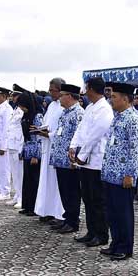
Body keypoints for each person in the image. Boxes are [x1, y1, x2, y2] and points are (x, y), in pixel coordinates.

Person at [99, 82, 138, 261]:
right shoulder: (117, 116)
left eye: (114, 97)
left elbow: (134, 149)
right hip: (110, 172)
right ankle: (115, 242)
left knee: (123, 212)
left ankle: (125, 247)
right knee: (112, 211)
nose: (111, 100)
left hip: (123, 175)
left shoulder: (133, 119)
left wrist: (130, 174)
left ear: (125, 99)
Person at [69, 77, 113, 246]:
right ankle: (91, 231)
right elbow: (81, 129)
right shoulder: (89, 107)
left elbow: (95, 134)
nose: (84, 91)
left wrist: (82, 154)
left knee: (97, 200)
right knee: (87, 198)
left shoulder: (104, 109)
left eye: (86, 88)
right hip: (84, 160)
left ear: (93, 89)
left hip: (95, 161)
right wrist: (73, 146)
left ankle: (101, 234)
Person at [49, 84, 85, 234]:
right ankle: (67, 217)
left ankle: (73, 221)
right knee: (64, 190)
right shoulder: (65, 112)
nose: (59, 97)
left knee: (72, 192)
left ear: (70, 96)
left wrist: (74, 160)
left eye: (62, 94)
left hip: (69, 161)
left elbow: (80, 138)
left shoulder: (78, 113)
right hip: (60, 159)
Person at [34, 78, 66, 223]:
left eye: (52, 90)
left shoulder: (63, 107)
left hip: (57, 148)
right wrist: (40, 130)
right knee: (47, 181)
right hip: (47, 146)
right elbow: (46, 124)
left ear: (60, 90)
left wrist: (48, 133)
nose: (50, 93)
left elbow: (62, 130)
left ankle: (59, 213)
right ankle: (47, 210)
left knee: (57, 184)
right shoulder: (52, 106)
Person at [18, 93, 44, 217]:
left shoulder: (37, 116)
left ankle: (34, 207)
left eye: (22, 106)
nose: (21, 108)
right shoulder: (26, 116)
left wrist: (36, 155)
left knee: (34, 181)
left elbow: (39, 137)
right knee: (27, 181)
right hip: (27, 150)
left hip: (34, 153)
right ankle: (27, 206)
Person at [7, 86, 27, 208]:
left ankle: (22, 197)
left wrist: (21, 148)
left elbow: (23, 132)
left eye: (15, 96)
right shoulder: (15, 110)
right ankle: (17, 195)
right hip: (12, 144)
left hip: (18, 145)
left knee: (20, 173)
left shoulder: (22, 112)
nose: (13, 98)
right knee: (14, 173)